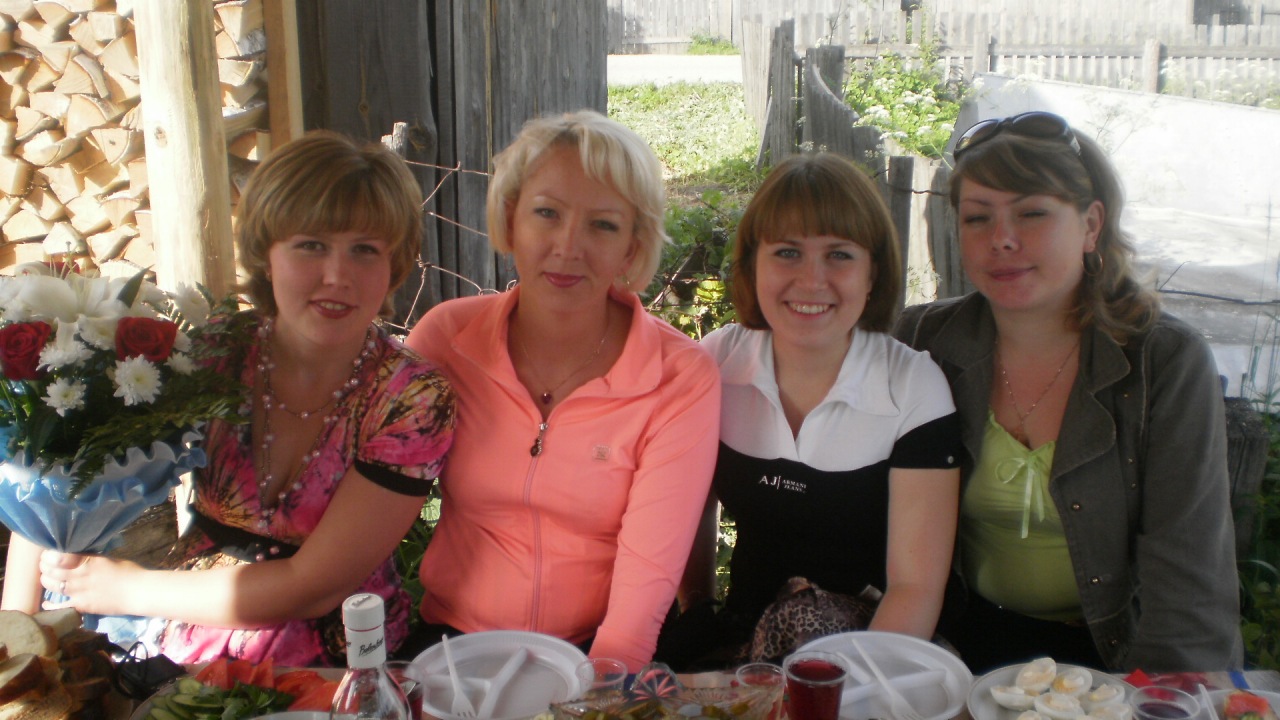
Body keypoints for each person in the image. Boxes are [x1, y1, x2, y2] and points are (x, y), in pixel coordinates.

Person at [1, 130, 456, 667]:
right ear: (266, 253)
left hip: (342, 665)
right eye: (310, 244)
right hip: (182, 642)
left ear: (394, 265)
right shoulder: (213, 353)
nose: (337, 276)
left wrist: (124, 589)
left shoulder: (412, 398)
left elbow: (314, 587)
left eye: (365, 250)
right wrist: (18, 640)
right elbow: (55, 467)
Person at [894, 111, 1243, 672]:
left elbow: (1187, 576)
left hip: (1115, 657)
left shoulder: (1163, 362)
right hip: (952, 646)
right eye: (977, 218)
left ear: (1091, 224)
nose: (1002, 239)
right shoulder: (921, 341)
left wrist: (1158, 699)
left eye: (1032, 212)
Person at [403, 109, 720, 672]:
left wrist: (601, 691)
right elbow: (375, 502)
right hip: (453, 648)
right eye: (547, 213)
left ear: (632, 247)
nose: (569, 246)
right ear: (511, 219)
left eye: (603, 225)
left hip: (597, 651)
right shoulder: (445, 340)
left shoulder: (679, 377)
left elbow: (648, 573)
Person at [662, 152, 962, 669]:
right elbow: (689, 512)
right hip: (744, 647)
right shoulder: (714, 365)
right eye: (787, 253)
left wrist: (847, 693)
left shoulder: (913, 387)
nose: (811, 280)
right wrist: (698, 610)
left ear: (873, 273)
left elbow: (914, 589)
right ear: (752, 264)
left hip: (877, 650)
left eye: (839, 255)